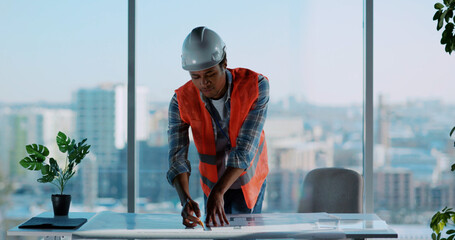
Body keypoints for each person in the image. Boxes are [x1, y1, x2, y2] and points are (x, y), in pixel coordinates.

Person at [167, 26, 269, 228]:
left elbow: (245, 149)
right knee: (216, 232)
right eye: (195, 77)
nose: (204, 83)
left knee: (244, 235)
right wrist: (185, 198)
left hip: (247, 180)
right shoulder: (180, 101)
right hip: (212, 183)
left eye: (210, 74)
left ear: (224, 63)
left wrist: (219, 192)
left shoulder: (256, 86)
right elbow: (177, 157)